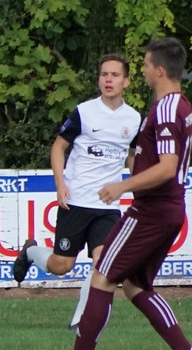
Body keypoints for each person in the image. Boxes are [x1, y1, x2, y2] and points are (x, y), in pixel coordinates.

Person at [53, 37, 192, 350]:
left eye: (147, 65)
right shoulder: (182, 105)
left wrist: (122, 186)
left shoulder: (166, 110)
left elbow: (167, 167)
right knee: (135, 286)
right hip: (171, 210)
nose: (145, 71)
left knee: (103, 276)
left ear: (159, 70)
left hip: (151, 210)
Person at [13, 54, 142, 328]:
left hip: (107, 206)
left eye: (115, 75)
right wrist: (60, 184)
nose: (108, 79)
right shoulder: (84, 112)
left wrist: (137, 186)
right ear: (99, 79)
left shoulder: (133, 119)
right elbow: (58, 147)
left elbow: (132, 156)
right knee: (62, 266)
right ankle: (31, 252)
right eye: (104, 74)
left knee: (103, 264)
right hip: (76, 201)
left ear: (126, 81)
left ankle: (80, 322)